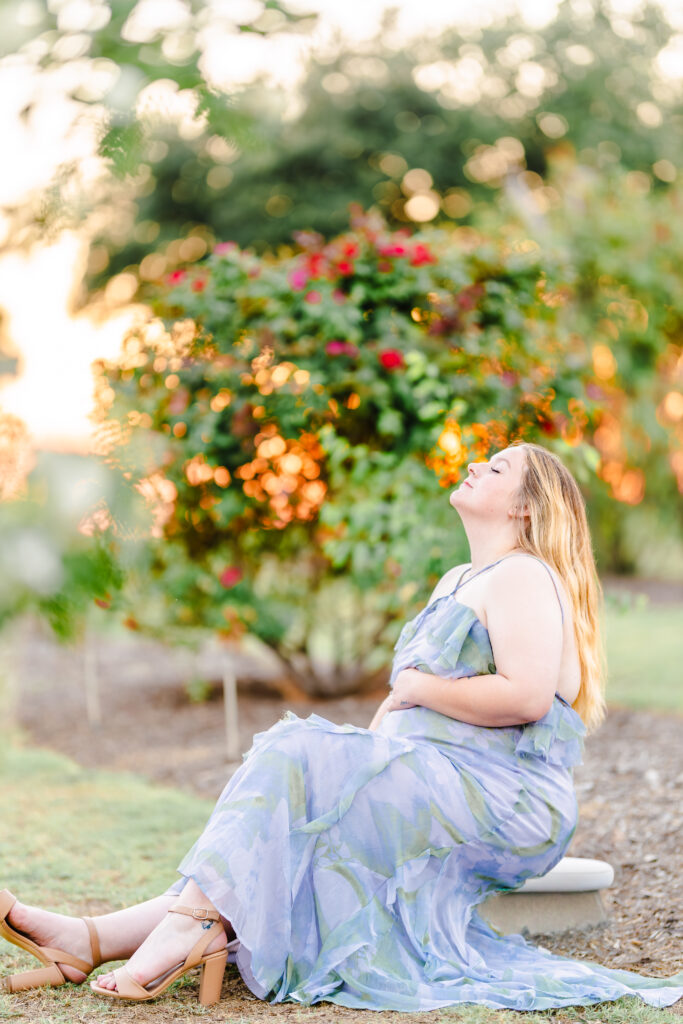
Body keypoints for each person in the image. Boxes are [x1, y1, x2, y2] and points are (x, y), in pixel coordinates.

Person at [1, 441, 682, 1010]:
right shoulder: (456, 578)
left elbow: (527, 698)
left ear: (525, 506)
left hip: (503, 796)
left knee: (292, 749)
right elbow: (407, 706)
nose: (476, 464)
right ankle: (89, 937)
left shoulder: (524, 576)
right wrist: (374, 745)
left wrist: (414, 688)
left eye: (497, 467)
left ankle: (181, 928)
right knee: (292, 792)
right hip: (436, 776)